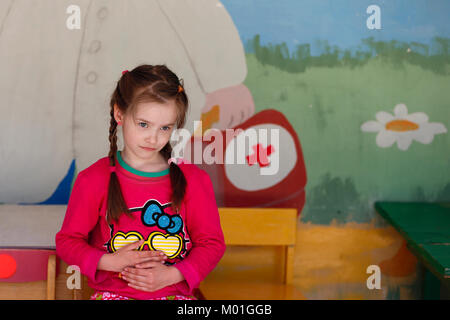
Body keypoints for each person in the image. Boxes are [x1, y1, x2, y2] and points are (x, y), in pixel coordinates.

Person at [55, 64, 226, 300]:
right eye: (143, 124)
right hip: (112, 295)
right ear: (119, 114)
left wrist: (172, 275)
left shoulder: (193, 180)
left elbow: (212, 244)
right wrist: (110, 262)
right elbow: (68, 241)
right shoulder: (93, 179)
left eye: (165, 128)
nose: (153, 138)